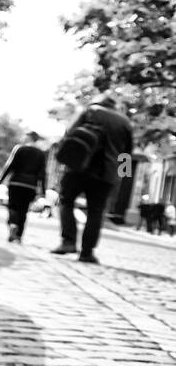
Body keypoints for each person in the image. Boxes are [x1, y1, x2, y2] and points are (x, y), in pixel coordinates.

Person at [52, 95, 133, 264]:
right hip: (106, 173)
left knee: (66, 202)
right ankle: (87, 252)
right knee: (96, 211)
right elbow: (127, 153)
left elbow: (69, 133)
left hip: (78, 166)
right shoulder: (125, 122)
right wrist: (121, 176)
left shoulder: (90, 110)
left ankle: (68, 241)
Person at [0, 130, 47, 243]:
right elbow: (42, 173)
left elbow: (9, 165)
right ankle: (18, 236)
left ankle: (13, 224)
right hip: (30, 185)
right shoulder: (41, 154)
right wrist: (43, 191)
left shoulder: (19, 148)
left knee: (12, 206)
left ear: (29, 138)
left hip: (16, 182)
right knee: (23, 210)